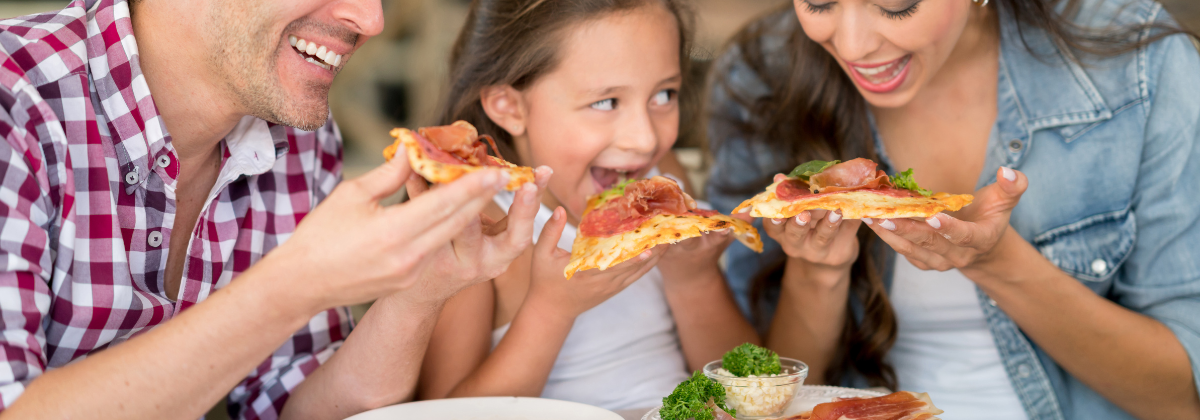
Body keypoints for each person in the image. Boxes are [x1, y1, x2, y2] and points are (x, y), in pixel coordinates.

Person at [0, 0, 551, 418]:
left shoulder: (295, 127)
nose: (371, 19)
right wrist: (294, 285)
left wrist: (423, 286)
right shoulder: (13, 102)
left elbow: (297, 405)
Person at [704, 0, 1200, 419]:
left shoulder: (1136, 57)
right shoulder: (760, 75)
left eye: (897, 5)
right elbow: (768, 398)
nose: (853, 45)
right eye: (819, 2)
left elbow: (1182, 398)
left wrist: (997, 264)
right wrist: (817, 270)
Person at [416, 0, 758, 411]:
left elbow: (749, 390)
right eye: (606, 102)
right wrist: (551, 310)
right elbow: (441, 413)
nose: (645, 139)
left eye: (664, 94)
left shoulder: (661, 176)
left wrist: (695, 280)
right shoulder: (475, 222)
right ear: (510, 107)